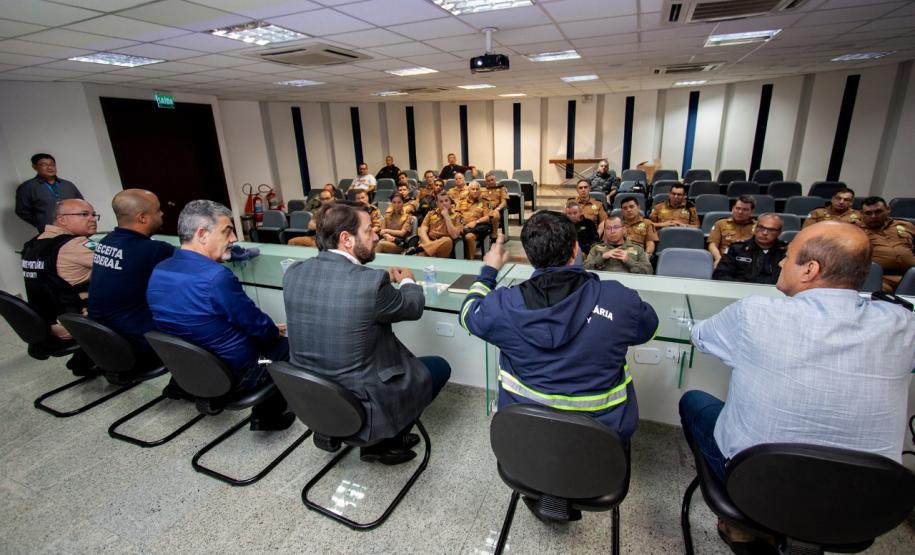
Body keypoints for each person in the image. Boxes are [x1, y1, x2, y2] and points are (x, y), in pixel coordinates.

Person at [679, 221, 915, 548]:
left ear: (810, 269)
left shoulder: (754, 313)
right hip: (865, 503)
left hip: (755, 484)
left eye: (787, 257)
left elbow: (699, 337)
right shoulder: (904, 323)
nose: (779, 263)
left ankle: (740, 528)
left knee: (693, 402)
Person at [459, 211, 658, 443]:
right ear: (575, 250)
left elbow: (467, 313)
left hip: (526, 435)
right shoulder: (619, 299)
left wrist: (489, 271)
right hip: (602, 440)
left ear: (531, 256)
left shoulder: (503, 305)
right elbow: (649, 328)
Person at [282, 201, 451, 464]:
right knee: (439, 367)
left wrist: (371, 279)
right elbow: (413, 307)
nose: (376, 235)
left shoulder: (294, 273)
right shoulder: (371, 283)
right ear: (346, 239)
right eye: (369, 230)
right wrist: (408, 280)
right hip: (362, 401)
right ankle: (384, 442)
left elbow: (338, 289)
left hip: (312, 395)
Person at [147, 200, 293, 431]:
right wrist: (274, 330)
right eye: (227, 231)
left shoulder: (160, 269)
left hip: (191, 369)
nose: (234, 238)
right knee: (285, 347)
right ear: (202, 234)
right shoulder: (216, 277)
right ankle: (267, 417)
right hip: (241, 371)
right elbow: (257, 327)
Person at [20, 198, 97, 375]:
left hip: (46, 322)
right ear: (61, 219)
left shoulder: (34, 243)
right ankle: (120, 363)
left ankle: (84, 359)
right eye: (84, 214)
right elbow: (117, 265)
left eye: (94, 214)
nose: (92, 218)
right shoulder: (75, 245)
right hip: (74, 321)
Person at [16, 153, 83, 232]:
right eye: (44, 165)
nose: (50, 167)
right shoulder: (27, 187)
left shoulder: (68, 185)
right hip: (49, 230)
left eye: (52, 164)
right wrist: (40, 221)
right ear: (35, 167)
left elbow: (82, 204)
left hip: (75, 227)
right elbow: (22, 211)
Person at [712, 213, 787, 285]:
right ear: (755, 228)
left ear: (779, 232)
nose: (764, 233)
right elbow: (720, 275)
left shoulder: (786, 252)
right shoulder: (737, 249)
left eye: (771, 230)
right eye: (761, 227)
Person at [860, 196, 915, 292]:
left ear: (888, 209)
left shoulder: (906, 225)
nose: (873, 216)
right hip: (878, 277)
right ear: (861, 214)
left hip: (911, 275)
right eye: (868, 213)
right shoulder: (856, 230)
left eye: (878, 212)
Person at [584, 215, 653, 274]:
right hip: (603, 285)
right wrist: (601, 258)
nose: (612, 231)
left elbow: (649, 272)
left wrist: (628, 261)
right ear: (604, 231)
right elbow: (584, 270)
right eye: (608, 228)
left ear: (623, 229)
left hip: (629, 286)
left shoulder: (637, 249)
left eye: (616, 227)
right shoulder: (596, 248)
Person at [707, 195, 757, 267]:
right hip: (726, 261)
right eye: (737, 208)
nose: (740, 212)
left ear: (752, 211)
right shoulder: (720, 223)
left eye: (745, 209)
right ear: (733, 208)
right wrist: (718, 258)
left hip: (749, 263)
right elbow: (712, 245)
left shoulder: (758, 226)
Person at [410, 190, 462, 258]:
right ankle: (426, 249)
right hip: (429, 241)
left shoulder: (457, 215)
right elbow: (423, 229)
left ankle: (421, 249)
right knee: (421, 258)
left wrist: (447, 217)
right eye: (441, 201)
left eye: (446, 201)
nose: (444, 203)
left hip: (444, 247)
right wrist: (429, 244)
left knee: (447, 240)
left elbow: (454, 235)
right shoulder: (430, 214)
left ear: (450, 202)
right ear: (437, 203)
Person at [456, 181, 490, 260]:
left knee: (469, 236)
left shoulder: (484, 201)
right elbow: (456, 214)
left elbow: (487, 217)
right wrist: (459, 225)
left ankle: (470, 259)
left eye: (477, 189)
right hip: (462, 226)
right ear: (468, 190)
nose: (475, 191)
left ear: (480, 190)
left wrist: (475, 222)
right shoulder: (461, 201)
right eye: (473, 189)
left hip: (476, 228)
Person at [481, 172, 508, 236]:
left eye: (492, 180)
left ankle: (494, 234)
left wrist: (498, 209)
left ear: (495, 180)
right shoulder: (482, 190)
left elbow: (504, 202)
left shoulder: (501, 188)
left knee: (494, 215)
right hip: (484, 208)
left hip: (495, 208)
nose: (490, 182)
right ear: (486, 181)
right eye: (488, 181)